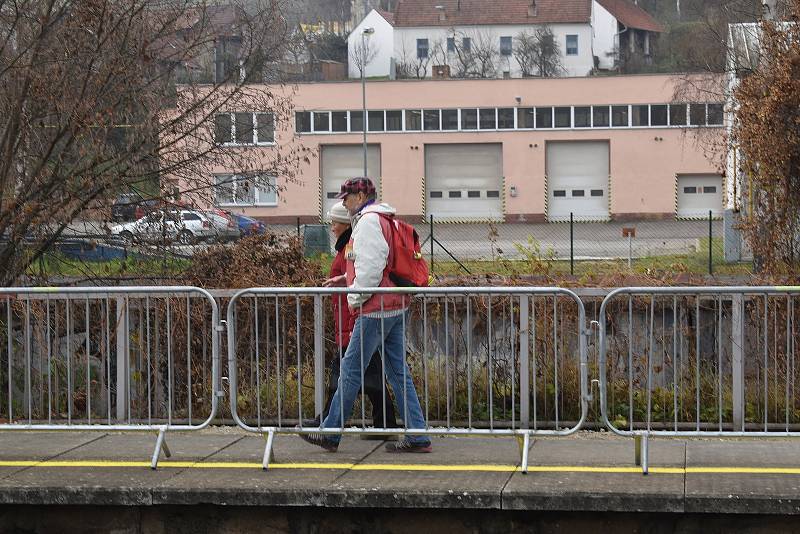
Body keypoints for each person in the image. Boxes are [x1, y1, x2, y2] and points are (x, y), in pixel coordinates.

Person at [301, 178, 431, 453]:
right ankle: (418, 434)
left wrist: (354, 298)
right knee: (398, 372)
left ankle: (331, 433)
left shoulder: (370, 222)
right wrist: (345, 278)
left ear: (360, 196)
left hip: (376, 308)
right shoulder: (385, 219)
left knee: (350, 370)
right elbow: (377, 265)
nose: (343, 203)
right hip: (395, 304)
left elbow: (371, 270)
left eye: (346, 197)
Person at [320, 201, 397, 432]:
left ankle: (328, 426)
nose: (331, 227)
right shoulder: (346, 245)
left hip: (354, 317)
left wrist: (354, 313)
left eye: (334, 222)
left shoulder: (350, 246)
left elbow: (362, 276)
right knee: (367, 374)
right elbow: (351, 275)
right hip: (350, 317)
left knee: (346, 374)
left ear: (344, 224)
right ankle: (385, 423)